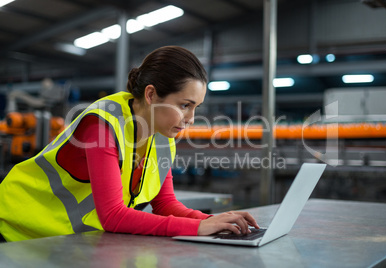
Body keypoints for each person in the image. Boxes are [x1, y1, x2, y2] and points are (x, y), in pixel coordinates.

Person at [0, 46, 259, 242]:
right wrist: (198, 228)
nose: (191, 119)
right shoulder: (102, 124)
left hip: (59, 241)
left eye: (196, 108)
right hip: (14, 229)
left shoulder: (162, 134)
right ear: (151, 94)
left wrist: (215, 221)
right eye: (184, 105)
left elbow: (165, 204)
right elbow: (113, 216)